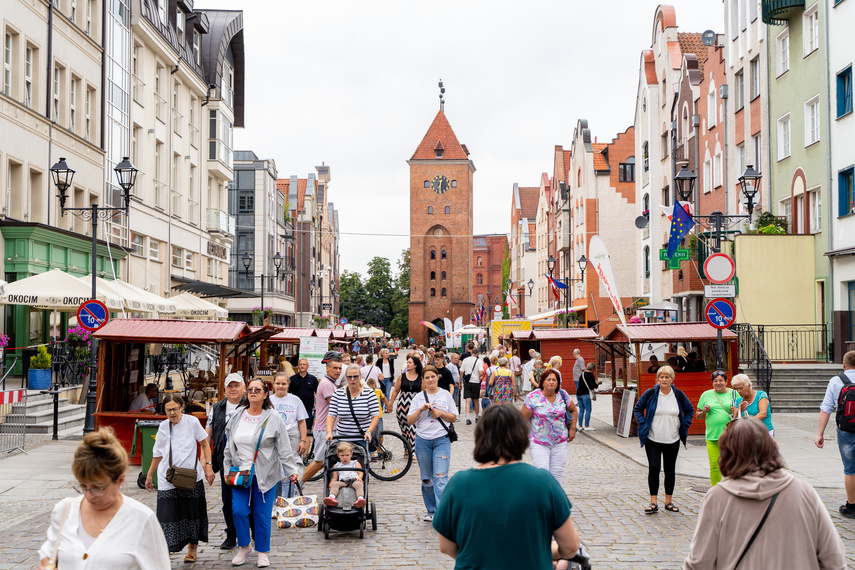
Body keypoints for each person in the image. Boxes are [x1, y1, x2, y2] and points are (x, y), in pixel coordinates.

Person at [683, 417, 845, 569]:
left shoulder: (717, 498)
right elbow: (834, 560)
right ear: (771, 448)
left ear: (727, 453)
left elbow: (699, 563)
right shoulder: (804, 493)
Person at [433, 405, 580, 569]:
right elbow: (570, 546)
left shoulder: (459, 484)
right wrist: (546, 553)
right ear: (521, 436)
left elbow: (446, 546)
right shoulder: (543, 482)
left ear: (480, 436)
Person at [37, 428, 170, 569]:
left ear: (120, 480)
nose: (88, 495)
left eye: (98, 487)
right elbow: (49, 553)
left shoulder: (141, 519)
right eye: (83, 485)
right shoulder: (65, 510)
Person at [223, 378, 299, 568]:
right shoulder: (238, 415)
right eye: (250, 389)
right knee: (239, 511)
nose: (253, 392)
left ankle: (262, 552)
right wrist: (226, 469)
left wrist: (292, 471)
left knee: (262, 515)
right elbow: (228, 446)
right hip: (240, 472)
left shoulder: (273, 417)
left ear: (266, 394)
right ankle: (245, 546)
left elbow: (284, 448)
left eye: (258, 389)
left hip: (266, 472)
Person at [145, 394, 214, 563]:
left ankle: (192, 549)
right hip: (167, 477)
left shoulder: (192, 422)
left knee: (192, 513)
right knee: (166, 516)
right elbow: (157, 453)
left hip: (190, 476)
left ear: (182, 407)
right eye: (168, 410)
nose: (172, 413)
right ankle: (165, 553)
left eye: (175, 409)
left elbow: (205, 444)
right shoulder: (163, 427)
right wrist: (149, 474)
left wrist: (208, 466)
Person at [633, 366, 694, 515]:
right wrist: (643, 423)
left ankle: (668, 501)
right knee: (654, 468)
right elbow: (638, 408)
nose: (664, 380)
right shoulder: (651, 393)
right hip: (653, 438)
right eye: (661, 377)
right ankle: (653, 502)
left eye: (667, 377)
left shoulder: (678, 394)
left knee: (669, 470)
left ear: (672, 379)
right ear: (658, 379)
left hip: (672, 439)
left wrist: (684, 425)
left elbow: (689, 410)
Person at [407, 365, 458, 522]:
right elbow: (409, 421)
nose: (430, 380)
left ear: (437, 377)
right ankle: (431, 510)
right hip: (423, 441)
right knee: (427, 479)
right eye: (427, 377)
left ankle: (443, 513)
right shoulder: (418, 398)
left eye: (432, 376)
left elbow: (453, 417)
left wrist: (441, 413)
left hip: (441, 439)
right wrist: (420, 410)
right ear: (423, 380)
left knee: (441, 477)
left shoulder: (445, 395)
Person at [205, 373, 246, 550]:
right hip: (225, 462)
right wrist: (206, 462)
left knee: (246, 500)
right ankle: (231, 534)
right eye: (230, 386)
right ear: (225, 389)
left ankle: (247, 533)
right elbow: (207, 435)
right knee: (228, 500)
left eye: (237, 385)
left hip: (246, 460)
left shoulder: (250, 405)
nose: (233, 389)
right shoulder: (217, 408)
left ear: (244, 387)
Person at [815, 350, 855, 519]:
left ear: (844, 364)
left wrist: (820, 434)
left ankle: (851, 507)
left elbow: (826, 408)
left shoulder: (836, 381)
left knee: (850, 469)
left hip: (846, 430)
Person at [521, 368, 577, 482]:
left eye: (554, 380)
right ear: (542, 382)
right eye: (548, 380)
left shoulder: (563, 395)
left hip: (560, 441)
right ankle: (542, 498)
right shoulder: (532, 397)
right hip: (539, 441)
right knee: (542, 473)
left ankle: (555, 499)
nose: (551, 382)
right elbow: (522, 420)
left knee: (557, 474)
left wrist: (572, 429)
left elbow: (574, 410)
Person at [302, 352, 341, 483]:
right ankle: (296, 484)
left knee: (329, 461)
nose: (338, 371)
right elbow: (336, 405)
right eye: (335, 368)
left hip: (329, 428)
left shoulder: (331, 383)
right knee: (319, 462)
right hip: (325, 429)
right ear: (327, 368)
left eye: (340, 368)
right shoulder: (326, 384)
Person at [269, 372, 308, 498]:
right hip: (274, 436)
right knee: (274, 468)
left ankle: (288, 499)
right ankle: (275, 501)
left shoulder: (295, 400)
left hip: (292, 436)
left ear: (288, 384)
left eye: (284, 384)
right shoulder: (268, 400)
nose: (281, 386)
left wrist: (303, 440)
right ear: (273, 384)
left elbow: (301, 422)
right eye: (278, 383)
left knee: (291, 468)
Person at [326, 363, 380, 452]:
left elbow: (375, 416)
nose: (352, 380)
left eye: (355, 377)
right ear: (345, 377)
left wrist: (369, 432)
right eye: (349, 377)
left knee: (360, 464)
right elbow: (331, 415)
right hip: (343, 439)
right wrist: (329, 432)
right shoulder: (338, 394)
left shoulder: (369, 393)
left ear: (360, 376)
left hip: (362, 439)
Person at [696, 370, 736, 486]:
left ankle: (731, 489)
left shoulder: (734, 394)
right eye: (715, 381)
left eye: (721, 380)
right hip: (713, 436)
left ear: (726, 382)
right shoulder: (706, 395)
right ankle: (716, 490)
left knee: (731, 464)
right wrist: (703, 411)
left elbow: (743, 412)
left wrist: (737, 410)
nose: (718, 383)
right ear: (712, 383)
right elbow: (698, 416)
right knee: (714, 465)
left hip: (730, 436)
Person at [387, 355, 423, 451]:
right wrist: (390, 404)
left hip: (415, 406)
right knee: (404, 430)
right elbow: (396, 391)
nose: (408, 364)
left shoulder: (420, 378)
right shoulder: (402, 376)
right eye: (407, 362)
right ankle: (406, 449)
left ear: (415, 365)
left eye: (410, 363)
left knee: (413, 429)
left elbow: (422, 393)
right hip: (402, 406)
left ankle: (413, 451)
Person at [323, 441, 367, 509]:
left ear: (351, 454)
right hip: (342, 482)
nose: (345, 458)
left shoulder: (355, 463)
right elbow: (334, 477)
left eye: (347, 455)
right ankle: (332, 497)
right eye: (342, 455)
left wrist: (359, 478)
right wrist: (331, 482)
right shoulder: (337, 465)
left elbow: (360, 472)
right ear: (338, 455)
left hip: (353, 481)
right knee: (335, 484)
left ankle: (360, 499)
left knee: (359, 484)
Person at [289, 358, 319, 431]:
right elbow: (288, 394)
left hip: (308, 409)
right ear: (298, 366)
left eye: (304, 364)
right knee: (295, 430)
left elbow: (318, 393)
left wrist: (315, 406)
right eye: (300, 364)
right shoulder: (292, 379)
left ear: (308, 366)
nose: (302, 366)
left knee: (307, 431)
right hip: (295, 409)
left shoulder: (313, 379)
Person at [460, 348, 481, 425]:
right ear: (477, 354)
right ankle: (477, 417)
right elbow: (481, 372)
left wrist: (460, 383)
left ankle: (468, 419)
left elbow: (461, 372)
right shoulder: (478, 361)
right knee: (476, 400)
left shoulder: (465, 360)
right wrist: (479, 376)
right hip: (476, 382)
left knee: (468, 400)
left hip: (467, 382)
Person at [576, 362, 600, 431]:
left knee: (581, 410)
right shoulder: (590, 375)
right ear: (592, 369)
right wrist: (598, 383)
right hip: (585, 394)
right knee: (588, 410)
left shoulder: (582, 374)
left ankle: (580, 426)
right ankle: (586, 426)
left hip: (578, 394)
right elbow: (593, 386)